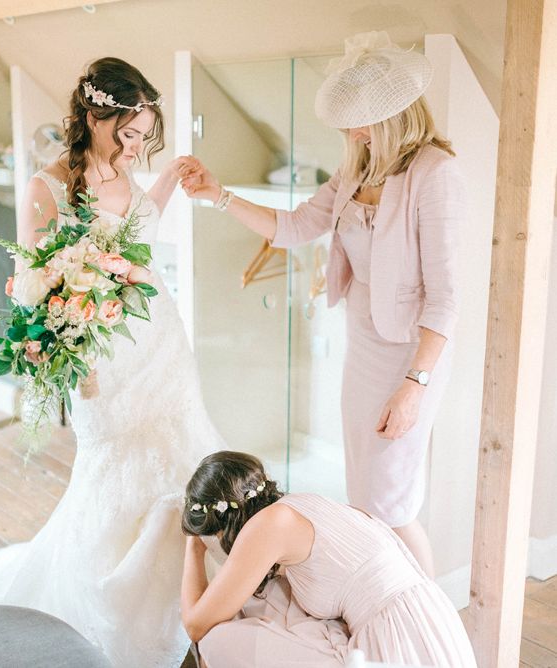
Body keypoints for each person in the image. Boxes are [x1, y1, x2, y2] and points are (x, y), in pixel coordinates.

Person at [0, 57, 225, 668]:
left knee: (180, 462)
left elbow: (138, 227)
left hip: (159, 344)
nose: (137, 147)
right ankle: (111, 604)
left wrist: (167, 178)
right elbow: (32, 288)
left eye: (147, 136)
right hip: (102, 359)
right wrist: (69, 357)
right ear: (94, 116)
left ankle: (184, 601)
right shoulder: (49, 187)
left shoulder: (129, 172)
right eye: (129, 133)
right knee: (114, 475)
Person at [180, 31, 467, 576]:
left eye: (361, 121)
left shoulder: (436, 174)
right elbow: (293, 227)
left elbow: (447, 299)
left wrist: (414, 387)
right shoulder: (358, 167)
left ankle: (425, 620)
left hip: (411, 359)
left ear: (394, 116)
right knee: (366, 494)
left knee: (393, 501)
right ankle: (381, 606)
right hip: (363, 350)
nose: (352, 132)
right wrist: (218, 195)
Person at [181, 451, 477, 667]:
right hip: (433, 624)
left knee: (216, 640)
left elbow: (196, 625)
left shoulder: (269, 525)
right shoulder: (304, 505)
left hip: (396, 641)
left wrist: (193, 547)